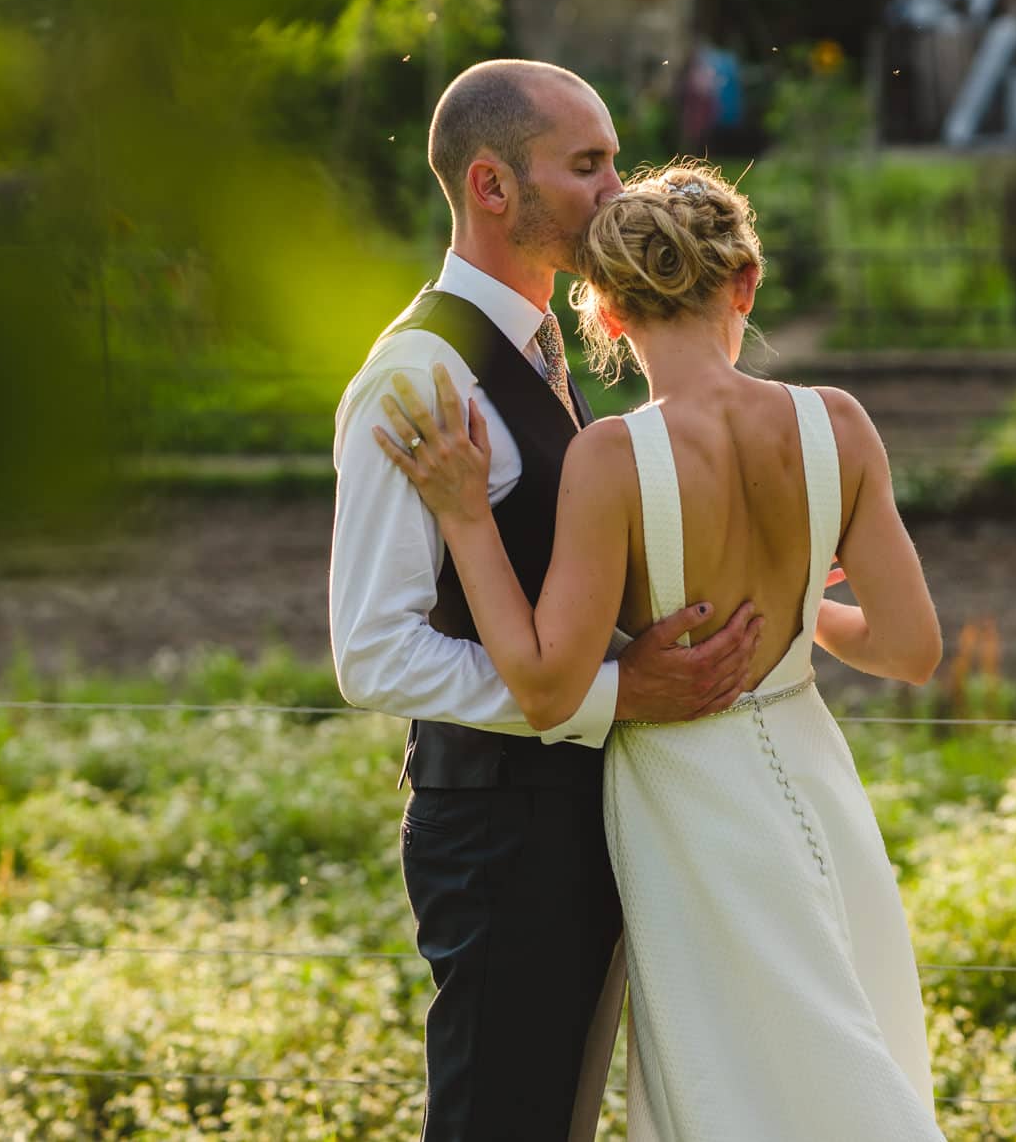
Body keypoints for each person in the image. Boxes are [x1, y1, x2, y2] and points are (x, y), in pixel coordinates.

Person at [371, 159, 949, 1140]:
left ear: (601, 313)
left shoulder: (613, 457)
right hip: (815, 779)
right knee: (843, 1057)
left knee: (732, 1088)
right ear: (744, 284)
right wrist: (802, 608)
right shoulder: (836, 424)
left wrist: (467, 520)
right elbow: (909, 648)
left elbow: (550, 687)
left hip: (691, 796)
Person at [328, 59, 768, 1142]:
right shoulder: (420, 376)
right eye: (586, 165)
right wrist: (613, 689)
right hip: (495, 831)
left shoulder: (537, 343)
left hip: (562, 817)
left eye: (613, 159)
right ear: (491, 186)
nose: (618, 191)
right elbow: (373, 653)